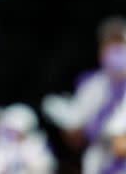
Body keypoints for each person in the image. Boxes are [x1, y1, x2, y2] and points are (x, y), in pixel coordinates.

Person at [43, 15, 126, 174]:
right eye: (108, 43)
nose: (114, 49)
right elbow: (76, 139)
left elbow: (120, 145)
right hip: (98, 165)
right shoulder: (92, 84)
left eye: (119, 43)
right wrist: (71, 126)